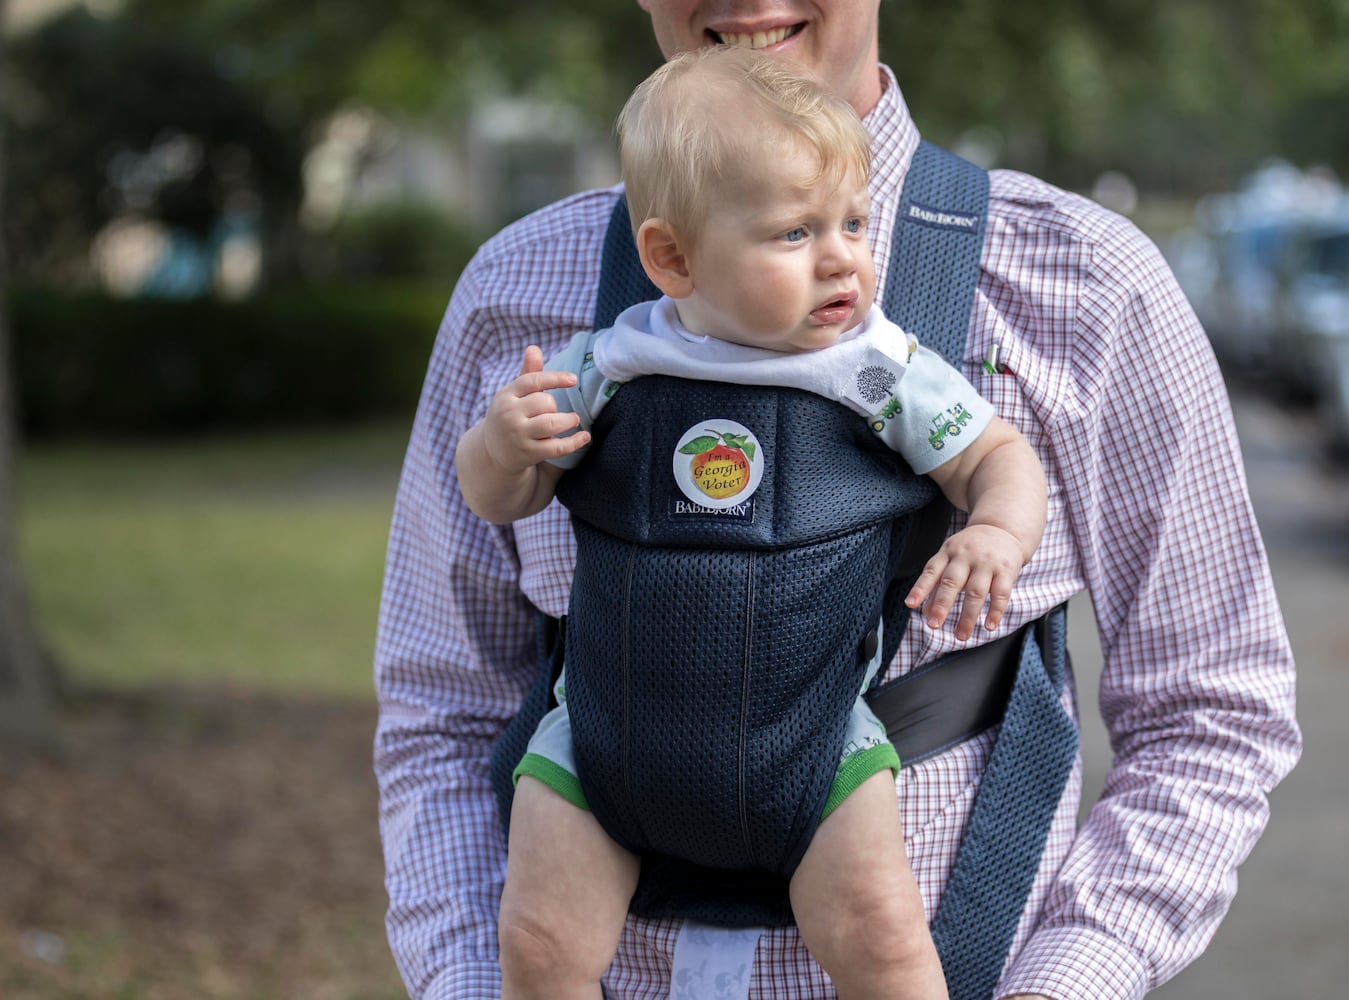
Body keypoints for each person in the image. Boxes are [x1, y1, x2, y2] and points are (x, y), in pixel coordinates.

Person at [374, 3, 1302, 998]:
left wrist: (1064, 982)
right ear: (668, 257)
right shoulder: (522, 297)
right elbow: (445, 710)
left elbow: (1213, 714)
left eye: (848, 228)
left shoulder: (1082, 285)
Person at [453, 46, 1047, 1000]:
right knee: (537, 940)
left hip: (808, 742)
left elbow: (1000, 459)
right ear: (673, 257)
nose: (842, 255)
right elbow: (498, 500)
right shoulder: (611, 362)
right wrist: (504, 443)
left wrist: (996, 534)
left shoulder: (877, 367)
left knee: (885, 941)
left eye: (853, 222)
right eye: (793, 232)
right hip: (606, 734)